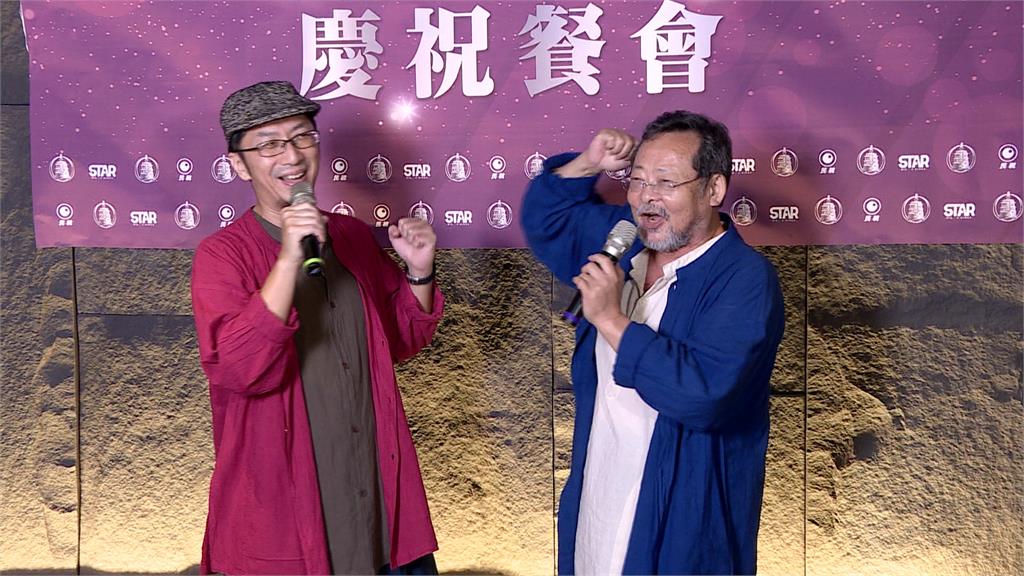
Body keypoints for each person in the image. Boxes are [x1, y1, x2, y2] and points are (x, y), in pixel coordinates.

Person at [191, 80, 443, 575]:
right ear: (239, 165)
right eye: (268, 144)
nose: (292, 155)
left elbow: (400, 341)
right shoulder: (221, 255)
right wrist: (289, 258)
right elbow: (239, 370)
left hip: (373, 485)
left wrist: (419, 271)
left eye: (302, 136)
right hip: (286, 498)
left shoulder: (350, 235)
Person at [521, 111, 785, 575]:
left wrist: (611, 320)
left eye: (666, 182)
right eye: (638, 180)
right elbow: (547, 220)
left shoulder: (745, 279)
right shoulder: (623, 245)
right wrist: (588, 163)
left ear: (714, 189)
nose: (646, 196)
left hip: (683, 521)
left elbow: (704, 393)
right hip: (598, 502)